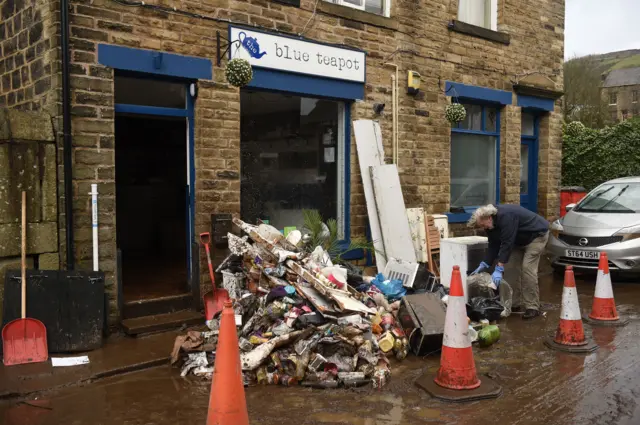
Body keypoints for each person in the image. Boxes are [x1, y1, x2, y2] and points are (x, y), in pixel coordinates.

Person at [469, 204, 550, 320]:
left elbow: (507, 243)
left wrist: (499, 267)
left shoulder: (507, 217)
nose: (484, 228)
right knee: (510, 269)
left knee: (527, 269)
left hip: (536, 236)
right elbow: (493, 245)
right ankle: (513, 303)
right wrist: (485, 263)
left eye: (483, 225)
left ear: (489, 218)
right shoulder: (490, 226)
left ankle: (532, 307)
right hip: (518, 240)